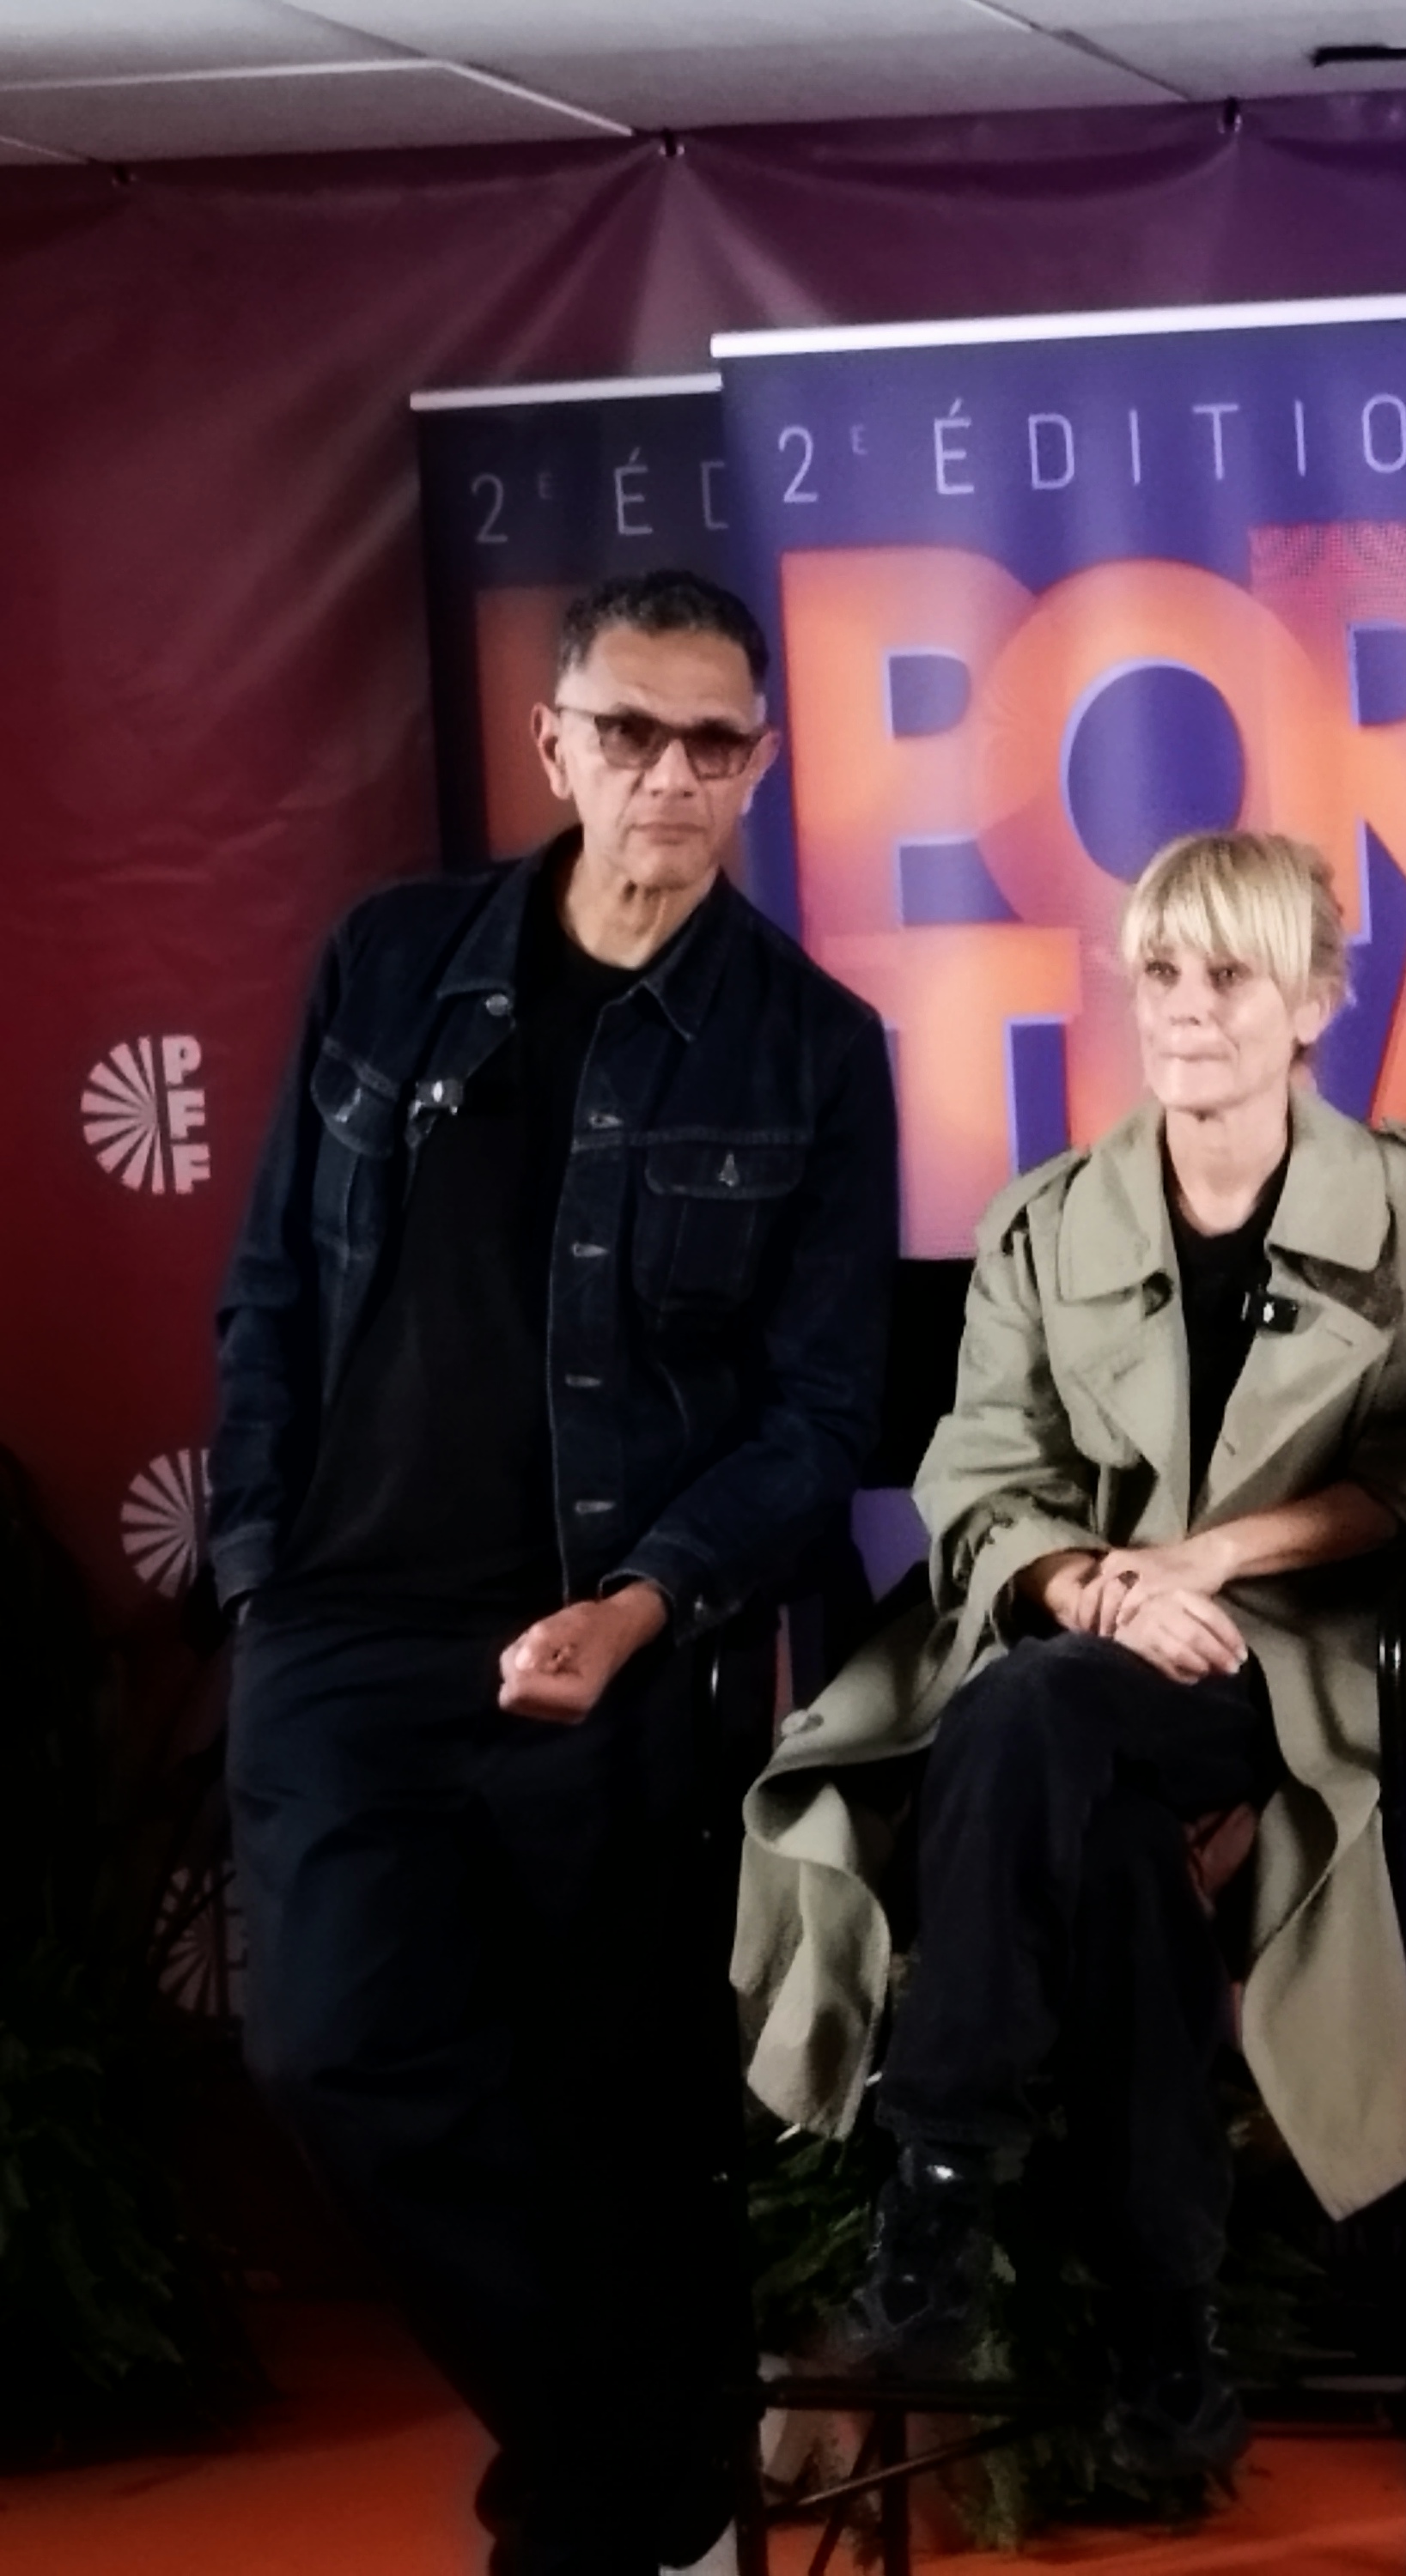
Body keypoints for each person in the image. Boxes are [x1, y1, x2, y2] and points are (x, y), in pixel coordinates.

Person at [211, 568, 898, 2576]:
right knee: (333, 2050)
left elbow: (819, 1410)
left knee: (625, 2118)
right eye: (631, 732)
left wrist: (651, 1603)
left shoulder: (809, 1047)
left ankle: (601, 2530)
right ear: (556, 744)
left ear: (759, 763)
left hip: (616, 1641)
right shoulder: (392, 958)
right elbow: (270, 1282)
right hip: (343, 1617)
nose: (668, 778)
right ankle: (652, 2473)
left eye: (712, 743)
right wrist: (260, 1557)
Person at [733, 829, 1406, 2480]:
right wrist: (1092, 1586)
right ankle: (1171, 2355)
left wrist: (1208, 1560)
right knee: (1096, 1827)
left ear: (1313, 1001)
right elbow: (979, 1469)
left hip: (1284, 1664)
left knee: (1030, 1731)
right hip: (1075, 1658)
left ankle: (934, 2197)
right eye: (1161, 970)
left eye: (1230, 974)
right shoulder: (1047, 1220)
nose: (1188, 1009)